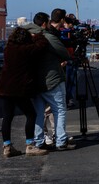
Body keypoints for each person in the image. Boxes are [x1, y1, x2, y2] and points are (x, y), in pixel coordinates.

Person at [24, 10, 75, 151]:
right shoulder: (47, 37)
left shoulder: (27, 36)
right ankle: (60, 141)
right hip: (51, 79)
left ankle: (38, 141)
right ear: (45, 24)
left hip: (34, 81)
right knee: (59, 109)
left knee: (39, 112)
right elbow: (64, 52)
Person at [0, 27, 50, 157]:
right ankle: (30, 145)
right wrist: (37, 35)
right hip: (19, 89)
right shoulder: (26, 50)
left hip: (4, 88)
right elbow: (42, 45)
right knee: (31, 114)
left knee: (7, 117)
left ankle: (7, 147)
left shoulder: (8, 49)